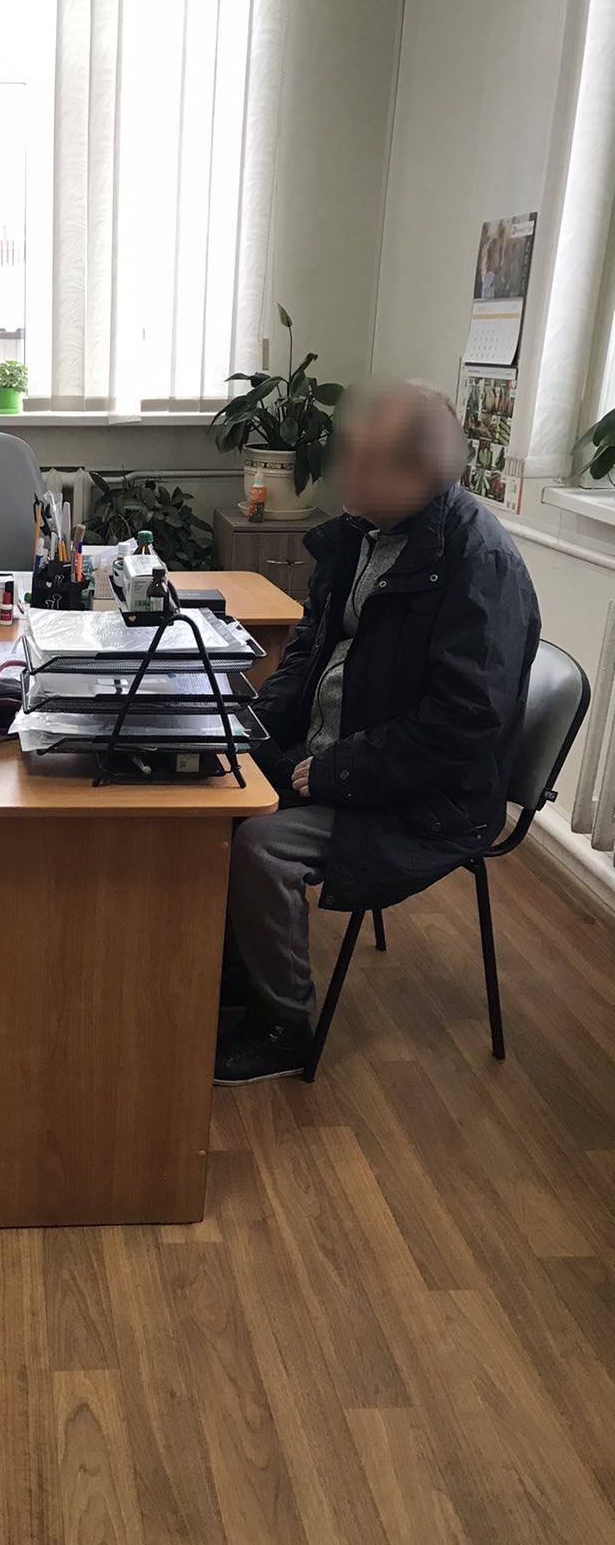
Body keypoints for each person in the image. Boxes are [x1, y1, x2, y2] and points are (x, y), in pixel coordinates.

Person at [215, 382, 540, 1084]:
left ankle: (283, 1024)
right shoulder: (366, 533)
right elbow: (309, 649)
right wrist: (257, 728)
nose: (346, 474)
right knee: (216, 788)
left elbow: (463, 722)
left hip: (427, 796)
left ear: (421, 471)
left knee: (262, 847)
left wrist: (341, 771)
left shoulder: (478, 564)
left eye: (366, 461)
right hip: (343, 756)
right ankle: (242, 967)